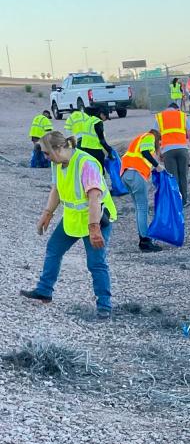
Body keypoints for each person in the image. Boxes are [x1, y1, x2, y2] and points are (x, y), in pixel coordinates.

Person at [20, 131, 118, 319]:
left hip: (95, 219)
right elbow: (56, 189)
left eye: (47, 153)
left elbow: (94, 198)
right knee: (53, 249)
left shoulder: (85, 163)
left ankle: (104, 304)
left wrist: (94, 228)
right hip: (73, 218)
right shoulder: (57, 163)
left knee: (96, 263)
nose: (45, 157)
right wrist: (47, 214)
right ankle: (44, 290)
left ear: (58, 148)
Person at [120, 129, 165, 252]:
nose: (159, 146)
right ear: (157, 138)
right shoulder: (149, 136)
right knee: (142, 208)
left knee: (138, 208)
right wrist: (157, 165)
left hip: (126, 174)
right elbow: (145, 152)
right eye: (159, 143)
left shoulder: (139, 138)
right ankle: (145, 241)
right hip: (135, 173)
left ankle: (143, 238)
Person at [153, 100, 190, 205]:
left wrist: (158, 153)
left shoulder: (159, 117)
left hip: (167, 151)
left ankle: (176, 201)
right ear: (177, 109)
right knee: (183, 176)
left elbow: (155, 137)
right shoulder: (182, 115)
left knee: (173, 177)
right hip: (182, 149)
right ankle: (184, 200)